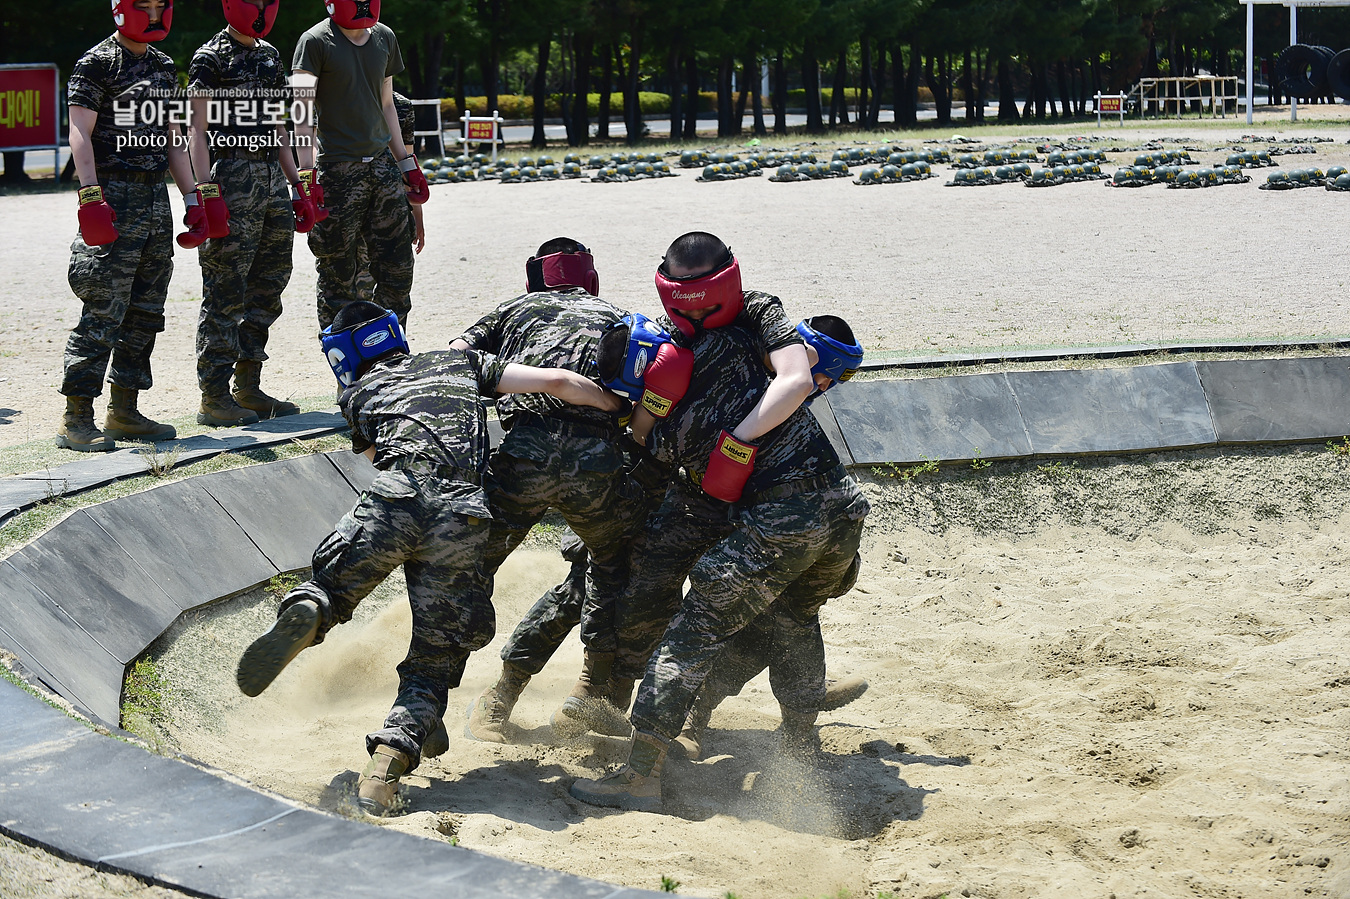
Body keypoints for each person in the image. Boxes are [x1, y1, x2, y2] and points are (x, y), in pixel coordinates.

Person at [234, 300, 624, 818]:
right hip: (464, 518)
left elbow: (379, 454)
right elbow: (555, 381)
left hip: (395, 498)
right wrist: (618, 407)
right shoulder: (457, 362)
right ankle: (389, 760)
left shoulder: (357, 394)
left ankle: (315, 608)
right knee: (433, 658)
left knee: (332, 583)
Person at [569, 247, 871, 813]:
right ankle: (801, 743)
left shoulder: (667, 425)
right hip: (843, 511)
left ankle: (639, 776)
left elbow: (649, 457)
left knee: (694, 630)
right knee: (794, 616)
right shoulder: (740, 337)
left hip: (783, 519)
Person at [453, 239, 652, 743]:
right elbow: (657, 386)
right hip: (598, 464)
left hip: (525, 454)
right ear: (591, 278)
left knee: (469, 571)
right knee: (610, 571)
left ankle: (466, 700)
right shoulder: (619, 317)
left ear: (536, 278)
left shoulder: (513, 309)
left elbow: (454, 362)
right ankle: (589, 692)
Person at [57, 0, 197, 451]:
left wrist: (193, 194)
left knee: (146, 310)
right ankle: (76, 417)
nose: (154, 13)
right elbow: (79, 130)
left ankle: (125, 409)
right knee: (103, 307)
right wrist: (90, 194)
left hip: (155, 198)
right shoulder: (97, 62)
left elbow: (173, 138)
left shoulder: (162, 64)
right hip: (114, 195)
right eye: (145, 6)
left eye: (161, 6)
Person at [185, 0, 305, 427]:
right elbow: (195, 130)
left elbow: (279, 124)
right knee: (225, 288)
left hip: (272, 176)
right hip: (231, 176)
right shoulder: (210, 57)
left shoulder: (270, 55)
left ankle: (249, 386)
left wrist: (298, 185)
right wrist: (204, 192)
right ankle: (214, 397)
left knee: (269, 284)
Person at [291, 0, 428, 329]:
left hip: (382, 169)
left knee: (397, 270)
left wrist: (406, 164)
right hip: (337, 171)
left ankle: (390, 358)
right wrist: (306, 179)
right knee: (338, 276)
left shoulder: (384, 37)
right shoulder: (313, 42)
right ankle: (347, 370)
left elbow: (387, 105)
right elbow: (301, 113)